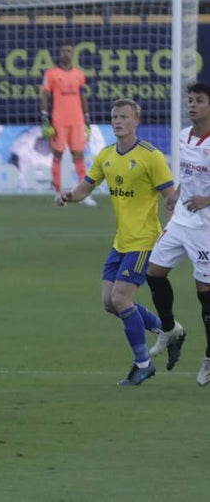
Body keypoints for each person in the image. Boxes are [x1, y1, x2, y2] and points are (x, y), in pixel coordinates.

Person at [56, 98, 177, 386]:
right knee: (109, 303)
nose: (118, 121)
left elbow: (171, 199)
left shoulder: (152, 157)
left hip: (145, 240)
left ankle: (143, 364)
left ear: (137, 121)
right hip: (121, 241)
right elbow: (84, 189)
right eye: (114, 117)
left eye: (124, 116)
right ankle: (170, 331)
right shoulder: (106, 155)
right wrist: (68, 196)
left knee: (121, 298)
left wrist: (170, 233)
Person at [144, 82, 210, 386]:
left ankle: (209, 357)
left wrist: (206, 200)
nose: (192, 105)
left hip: (205, 227)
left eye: (199, 100)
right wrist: (176, 195)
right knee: (154, 273)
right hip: (181, 220)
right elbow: (188, 176)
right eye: (190, 100)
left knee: (204, 293)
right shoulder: (184, 136)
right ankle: (171, 330)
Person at [41, 44, 96, 206]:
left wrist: (87, 117)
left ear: (72, 54)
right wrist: (44, 117)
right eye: (63, 51)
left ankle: (83, 195)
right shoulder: (51, 74)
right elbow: (45, 95)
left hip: (77, 121)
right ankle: (57, 193)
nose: (66, 54)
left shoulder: (79, 74)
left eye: (69, 51)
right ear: (59, 53)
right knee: (57, 155)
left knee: (79, 156)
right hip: (59, 121)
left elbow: (82, 96)